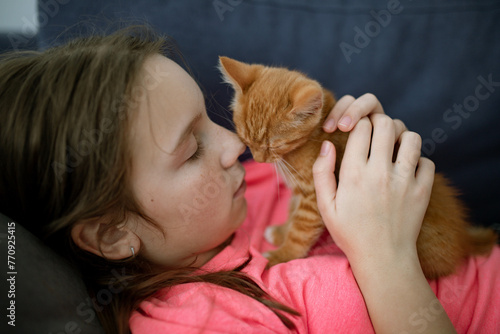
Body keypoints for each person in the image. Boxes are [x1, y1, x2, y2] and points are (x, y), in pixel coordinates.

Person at [0, 27, 498, 334]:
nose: (235, 146)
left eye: (211, 119)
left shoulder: (245, 187)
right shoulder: (197, 320)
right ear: (112, 233)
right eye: (192, 149)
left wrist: (357, 158)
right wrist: (386, 258)